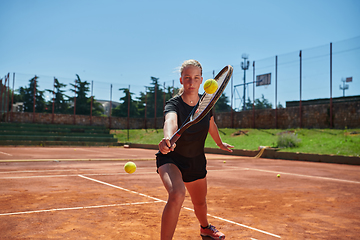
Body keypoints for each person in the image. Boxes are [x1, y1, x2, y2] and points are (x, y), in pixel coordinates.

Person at [156, 59, 234, 240]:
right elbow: (170, 121)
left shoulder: (206, 103)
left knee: (200, 203)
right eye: (187, 78)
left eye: (196, 78)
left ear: (202, 80)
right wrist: (168, 138)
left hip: (196, 160)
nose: (192, 82)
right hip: (171, 158)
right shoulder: (173, 104)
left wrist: (220, 143)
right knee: (177, 193)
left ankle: (205, 228)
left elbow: (211, 125)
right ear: (181, 80)